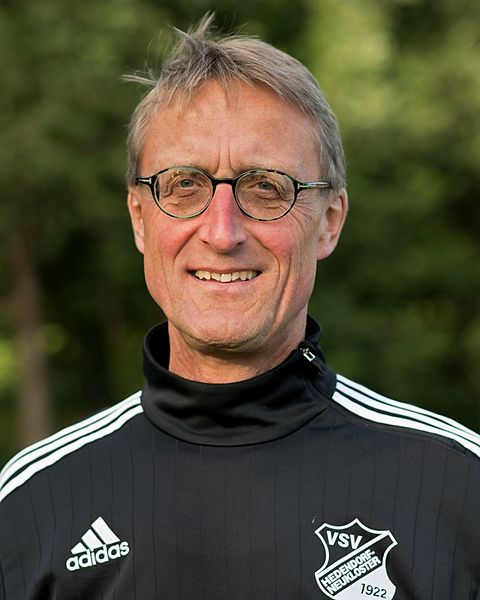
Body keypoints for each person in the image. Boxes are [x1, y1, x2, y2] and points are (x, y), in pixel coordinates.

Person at [1, 15, 479, 600]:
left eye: (266, 188)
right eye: (184, 186)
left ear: (329, 222)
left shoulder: (456, 488)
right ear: (139, 219)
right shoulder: (31, 506)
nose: (222, 233)